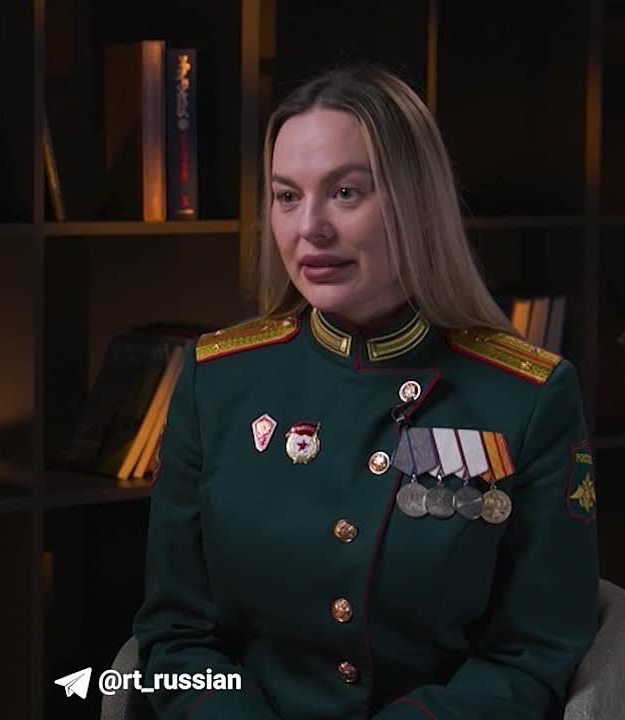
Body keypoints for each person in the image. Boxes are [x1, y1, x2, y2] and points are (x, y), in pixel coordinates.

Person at [132, 63, 600, 720]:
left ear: (417, 203)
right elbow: (175, 635)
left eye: (346, 193)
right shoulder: (218, 381)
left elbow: (536, 651)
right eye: (287, 196)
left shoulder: (525, 396)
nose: (310, 228)